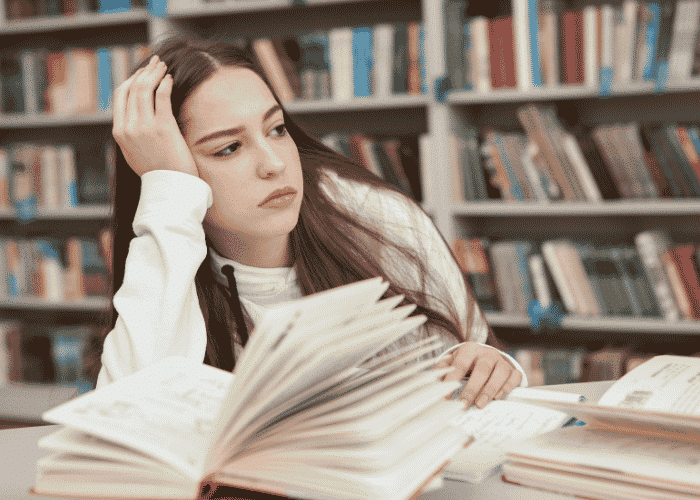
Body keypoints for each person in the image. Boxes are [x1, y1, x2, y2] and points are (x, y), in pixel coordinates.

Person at [88, 36, 526, 410]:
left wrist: (493, 367)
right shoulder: (166, 249)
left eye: (277, 129)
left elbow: (477, 364)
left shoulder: (377, 218)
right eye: (228, 149)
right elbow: (127, 416)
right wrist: (168, 194)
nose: (274, 164)